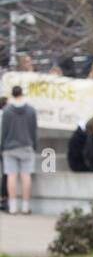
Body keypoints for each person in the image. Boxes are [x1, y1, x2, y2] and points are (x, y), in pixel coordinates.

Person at [0, 84, 38, 214]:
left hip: (10, 146)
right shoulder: (31, 110)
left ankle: (12, 206)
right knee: (26, 176)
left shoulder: (7, 111)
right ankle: (25, 206)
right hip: (26, 144)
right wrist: (34, 145)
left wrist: (2, 145)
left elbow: (3, 131)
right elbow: (34, 130)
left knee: (11, 175)